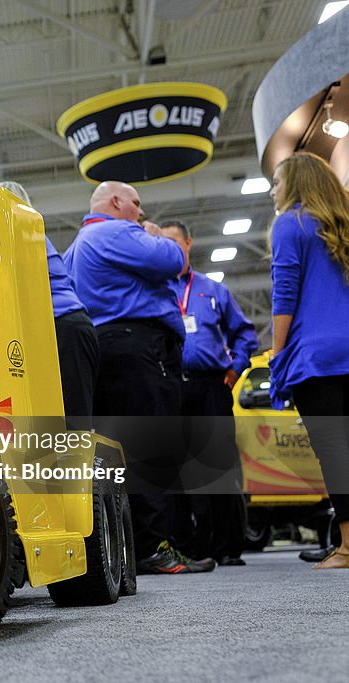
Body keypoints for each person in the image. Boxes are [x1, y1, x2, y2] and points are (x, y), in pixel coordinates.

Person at [64, 181, 215, 574]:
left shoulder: (76, 246)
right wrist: (155, 236)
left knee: (120, 453)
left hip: (104, 350)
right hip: (138, 349)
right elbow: (174, 259)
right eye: (136, 203)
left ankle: (135, 548)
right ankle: (155, 548)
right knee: (152, 448)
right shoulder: (116, 230)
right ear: (115, 202)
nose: (142, 212)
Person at [159, 220, 257, 566]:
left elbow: (245, 334)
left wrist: (235, 369)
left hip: (210, 386)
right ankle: (187, 546)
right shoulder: (155, 289)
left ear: (188, 242)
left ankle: (228, 546)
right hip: (171, 386)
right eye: (161, 243)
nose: (168, 249)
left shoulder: (212, 290)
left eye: (173, 242)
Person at [268, 151, 349, 570]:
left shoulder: (290, 223)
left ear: (296, 184)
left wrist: (278, 355)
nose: (274, 191)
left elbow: (285, 293)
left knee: (335, 451)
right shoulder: (344, 224)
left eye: (278, 183)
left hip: (317, 356)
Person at [1, 181, 98, 430]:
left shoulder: (16, 228)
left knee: (71, 422)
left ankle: (76, 468)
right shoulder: (36, 232)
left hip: (61, 326)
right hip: (72, 324)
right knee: (70, 417)